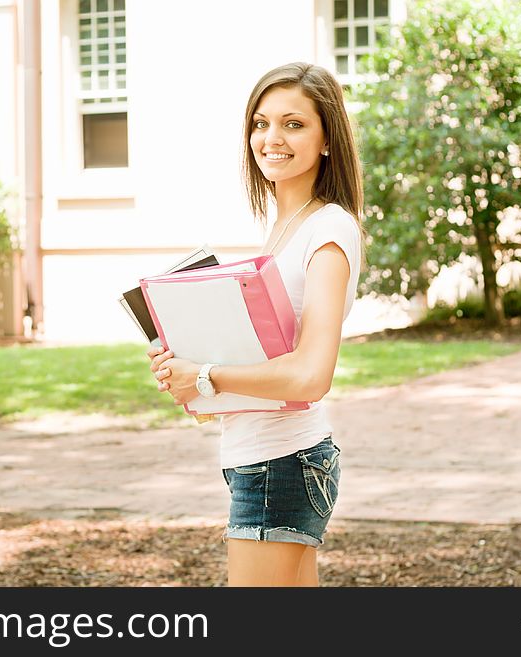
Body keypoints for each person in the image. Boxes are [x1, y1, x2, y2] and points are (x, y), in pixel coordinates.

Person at [147, 62, 364, 587]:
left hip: (282, 461)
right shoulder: (285, 231)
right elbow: (267, 361)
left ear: (327, 138)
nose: (271, 138)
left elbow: (311, 377)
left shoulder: (328, 230)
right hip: (267, 457)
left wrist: (207, 375)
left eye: (293, 124)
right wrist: (188, 373)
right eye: (261, 123)